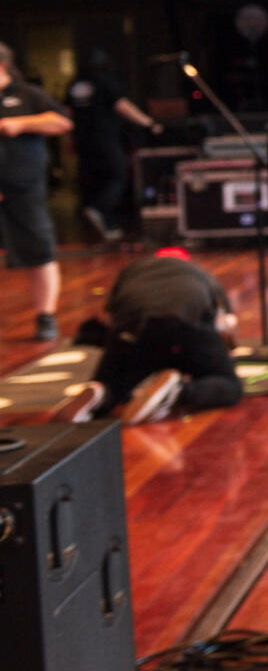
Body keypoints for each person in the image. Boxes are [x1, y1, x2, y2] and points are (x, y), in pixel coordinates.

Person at [68, 248, 244, 424]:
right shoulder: (202, 274)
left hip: (134, 333)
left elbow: (108, 318)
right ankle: (178, 391)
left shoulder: (133, 270)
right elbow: (226, 324)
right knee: (230, 386)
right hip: (185, 330)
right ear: (187, 261)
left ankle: (100, 393)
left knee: (115, 384)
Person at [0, 41, 73, 342]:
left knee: (40, 252)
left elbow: (61, 121)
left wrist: (18, 124)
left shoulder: (27, 95)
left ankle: (46, 316)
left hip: (23, 189)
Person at [65, 48, 159, 241]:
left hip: (83, 141)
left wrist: (70, 138)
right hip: (104, 139)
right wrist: (149, 123)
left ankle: (104, 223)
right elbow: (123, 106)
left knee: (93, 180)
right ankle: (98, 209)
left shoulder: (74, 84)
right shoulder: (105, 81)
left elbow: (67, 113)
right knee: (118, 176)